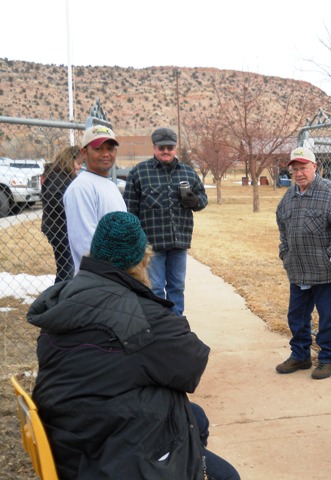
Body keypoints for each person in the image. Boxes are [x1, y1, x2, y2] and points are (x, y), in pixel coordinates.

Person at [27, 211, 240, 480]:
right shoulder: (144, 316)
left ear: (96, 252)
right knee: (228, 475)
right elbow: (192, 364)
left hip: (69, 434)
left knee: (195, 416)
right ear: (142, 258)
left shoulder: (68, 294)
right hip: (109, 454)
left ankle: (189, 461)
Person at [275, 146, 331, 380]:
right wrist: (286, 253)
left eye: (303, 168)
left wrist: (330, 257)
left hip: (328, 272)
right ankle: (300, 355)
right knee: (297, 316)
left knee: (327, 317)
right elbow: (282, 226)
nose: (299, 173)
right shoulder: (289, 196)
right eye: (295, 169)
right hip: (299, 270)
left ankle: (327, 358)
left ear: (315, 167)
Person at [124, 127, 207, 316]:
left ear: (175, 148)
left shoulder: (187, 172)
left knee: (177, 287)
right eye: (161, 147)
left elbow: (202, 200)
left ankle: (176, 325)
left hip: (179, 242)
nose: (166, 151)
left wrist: (195, 200)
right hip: (152, 245)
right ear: (154, 147)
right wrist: (135, 240)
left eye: (169, 147)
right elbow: (130, 210)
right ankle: (158, 324)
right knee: (155, 288)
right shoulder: (139, 173)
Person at [63, 125, 126, 273]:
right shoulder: (81, 188)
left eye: (110, 149)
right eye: (98, 149)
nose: (105, 154)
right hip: (98, 280)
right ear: (84, 153)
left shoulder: (110, 185)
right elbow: (85, 243)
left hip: (118, 276)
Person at [40, 146, 83, 283]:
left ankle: (62, 294)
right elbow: (56, 201)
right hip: (58, 228)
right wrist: (76, 206)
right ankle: (59, 296)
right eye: (79, 162)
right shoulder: (58, 176)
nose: (80, 167)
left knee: (67, 266)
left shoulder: (61, 175)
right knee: (67, 268)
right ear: (71, 160)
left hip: (61, 227)